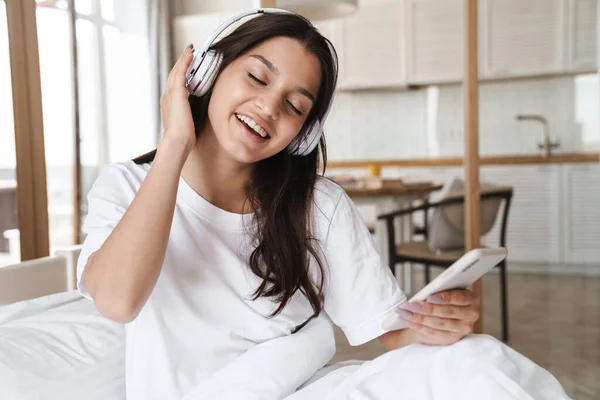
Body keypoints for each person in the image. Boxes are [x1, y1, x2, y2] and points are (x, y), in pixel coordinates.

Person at [76, 9, 569, 400]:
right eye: (257, 77)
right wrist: (175, 141)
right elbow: (119, 300)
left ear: (303, 132)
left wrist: (439, 325)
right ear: (206, 73)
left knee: (478, 359)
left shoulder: (316, 204)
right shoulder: (126, 186)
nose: (269, 107)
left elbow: (391, 334)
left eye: (295, 105)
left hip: (305, 389)